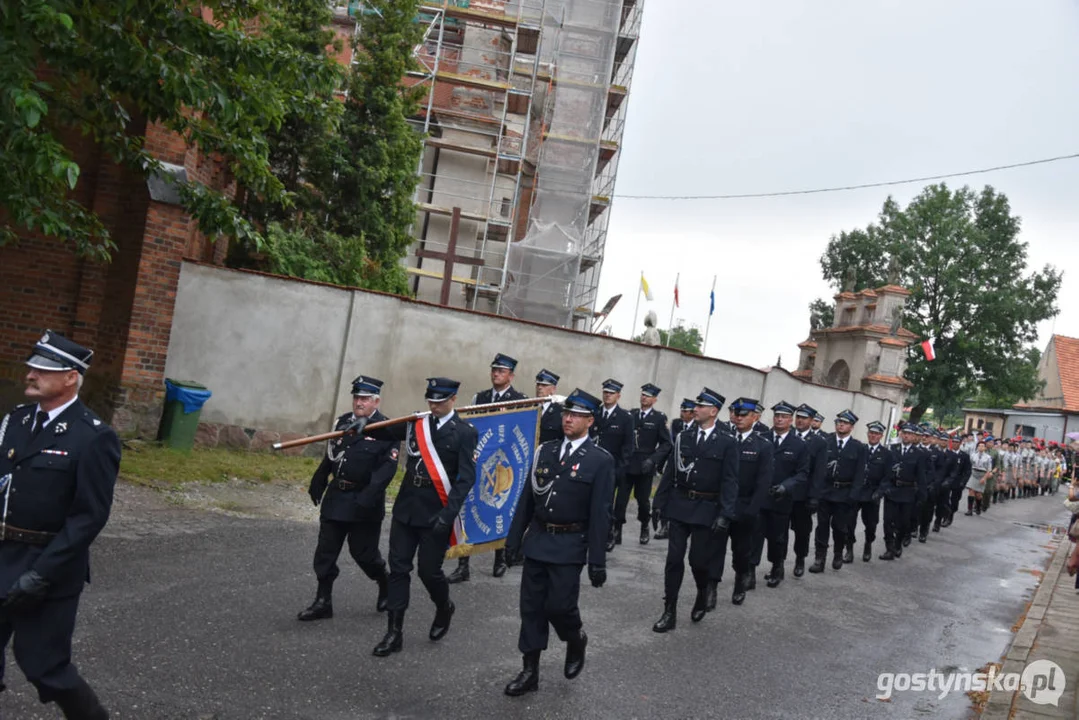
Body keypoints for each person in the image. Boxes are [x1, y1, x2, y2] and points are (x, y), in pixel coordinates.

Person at [0, 330, 120, 719]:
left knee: (44, 665)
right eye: (32, 367)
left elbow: (89, 516)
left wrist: (43, 573)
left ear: (71, 377)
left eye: (44, 370)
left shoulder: (94, 437)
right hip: (2, 552)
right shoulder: (14, 421)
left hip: (47, 562)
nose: (31, 374)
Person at [503, 389, 613, 697]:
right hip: (538, 540)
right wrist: (513, 540)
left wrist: (597, 561)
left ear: (589, 421)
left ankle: (575, 638)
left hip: (570, 543)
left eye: (576, 415)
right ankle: (530, 671)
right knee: (532, 608)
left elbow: (600, 514)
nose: (568, 419)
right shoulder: (546, 450)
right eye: (566, 413)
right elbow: (527, 500)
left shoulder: (599, 461)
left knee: (560, 606)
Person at [371, 378, 477, 658]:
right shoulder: (417, 423)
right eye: (430, 399)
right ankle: (394, 632)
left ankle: (444, 606)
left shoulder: (465, 432)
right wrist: (362, 426)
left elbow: (466, 479)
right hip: (407, 507)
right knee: (399, 569)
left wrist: (448, 514)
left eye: (440, 400)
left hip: (436, 512)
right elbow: (384, 430)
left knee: (428, 572)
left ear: (453, 399)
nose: (433, 405)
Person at [298, 375, 399, 622]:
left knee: (364, 555)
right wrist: (320, 478)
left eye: (364, 398)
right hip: (337, 497)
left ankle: (384, 582)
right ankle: (323, 602)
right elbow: (333, 454)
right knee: (325, 552)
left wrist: (367, 498)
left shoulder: (387, 428)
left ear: (376, 401)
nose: (359, 403)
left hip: (364, 502)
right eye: (356, 398)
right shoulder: (343, 422)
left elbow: (387, 469)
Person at [651, 388, 738, 631]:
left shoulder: (727, 442)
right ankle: (669, 611)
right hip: (680, 505)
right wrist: (659, 503)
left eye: (700, 407)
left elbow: (730, 481)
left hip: (707, 508)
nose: (694, 410)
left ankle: (702, 591)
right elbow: (670, 473)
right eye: (694, 406)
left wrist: (725, 514)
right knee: (673, 560)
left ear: (713, 411)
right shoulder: (683, 437)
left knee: (698, 561)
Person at [448, 353, 525, 584]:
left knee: (500, 509)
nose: (495, 374)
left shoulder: (519, 400)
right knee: (470, 508)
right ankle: (463, 565)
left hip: (503, 465)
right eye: (493, 370)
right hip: (478, 461)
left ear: (511, 375)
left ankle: (499, 558)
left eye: (501, 371)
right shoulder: (479, 397)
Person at [714, 398, 773, 604]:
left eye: (744, 415)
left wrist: (752, 510)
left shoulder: (763, 445)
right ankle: (711, 590)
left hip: (744, 506)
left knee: (741, 551)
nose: (739, 418)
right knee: (714, 550)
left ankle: (740, 579)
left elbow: (763, 482)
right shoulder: (722, 438)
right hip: (721, 505)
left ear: (755, 417)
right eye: (736, 414)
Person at [751, 401, 807, 588]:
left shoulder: (799, 445)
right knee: (754, 535)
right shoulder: (761, 438)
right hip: (759, 497)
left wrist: (786, 486)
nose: (779, 419)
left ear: (791, 420)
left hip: (781, 499)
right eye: (777, 416)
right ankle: (749, 572)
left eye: (784, 417)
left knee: (777, 538)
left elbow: (802, 473)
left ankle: (777, 567)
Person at [809, 410, 865, 573]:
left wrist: (854, 495)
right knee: (822, 527)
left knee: (840, 528)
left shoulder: (858, 447)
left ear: (851, 427)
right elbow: (816, 469)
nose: (841, 425)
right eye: (838, 422)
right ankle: (820, 558)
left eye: (845, 423)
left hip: (844, 493)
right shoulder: (825, 442)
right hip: (825, 491)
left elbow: (860, 473)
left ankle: (838, 553)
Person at [620, 384, 672, 546]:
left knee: (642, 501)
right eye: (643, 395)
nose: (644, 398)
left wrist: (652, 460)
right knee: (621, 499)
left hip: (645, 466)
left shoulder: (659, 418)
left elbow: (666, 444)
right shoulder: (631, 414)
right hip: (628, 463)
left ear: (654, 399)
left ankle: (644, 525)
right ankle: (616, 529)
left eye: (648, 396)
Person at [591, 379, 634, 551]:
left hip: (611, 469)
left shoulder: (625, 418)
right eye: (605, 392)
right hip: (591, 466)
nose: (607, 395)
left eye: (611, 393)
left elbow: (628, 446)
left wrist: (619, 469)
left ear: (618, 396)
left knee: (606, 504)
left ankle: (608, 534)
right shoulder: (594, 413)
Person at [878, 424, 928, 560]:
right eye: (904, 433)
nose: (906, 435)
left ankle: (898, 544)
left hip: (908, 492)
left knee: (903, 522)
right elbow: (885, 471)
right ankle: (889, 548)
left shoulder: (919, 454)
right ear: (901, 434)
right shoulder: (892, 450)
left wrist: (922, 495)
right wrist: (883, 488)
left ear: (913, 436)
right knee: (888, 521)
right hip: (892, 490)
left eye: (909, 434)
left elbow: (921, 476)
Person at [845, 420, 890, 563]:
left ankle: (868, 544)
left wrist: (880, 492)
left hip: (872, 493)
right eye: (871, 433)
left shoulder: (886, 454)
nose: (873, 436)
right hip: (856, 491)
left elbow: (887, 477)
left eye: (876, 433)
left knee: (871, 524)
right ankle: (849, 549)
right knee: (849, 522)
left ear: (881, 436)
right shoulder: (860, 449)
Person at [790, 404, 827, 577]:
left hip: (803, 496)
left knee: (802, 532)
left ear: (811, 421)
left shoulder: (819, 442)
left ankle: (800, 559)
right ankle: (778, 564)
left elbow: (819, 472)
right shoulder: (787, 435)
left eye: (804, 418)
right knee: (778, 532)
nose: (799, 420)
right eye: (798, 417)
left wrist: (814, 497)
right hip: (783, 493)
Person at [655, 399, 697, 542]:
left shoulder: (697, 426)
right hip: (674, 462)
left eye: (685, 411)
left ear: (692, 413)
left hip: (688, 467)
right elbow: (671, 444)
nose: (682, 413)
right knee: (667, 493)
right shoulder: (677, 423)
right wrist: (660, 464)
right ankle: (664, 525)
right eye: (681, 410)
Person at [964, 440, 993, 516]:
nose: (980, 447)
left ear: (985, 448)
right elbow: (970, 464)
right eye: (979, 446)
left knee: (978, 495)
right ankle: (969, 510)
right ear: (977, 447)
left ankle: (978, 507)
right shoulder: (973, 455)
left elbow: (989, 469)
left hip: (982, 474)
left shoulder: (988, 457)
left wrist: (984, 478)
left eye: (982, 446)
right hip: (974, 474)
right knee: (971, 491)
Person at [536, 369, 564, 445]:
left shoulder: (559, 412)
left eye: (544, 385)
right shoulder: (530, 407)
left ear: (553, 389)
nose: (539, 387)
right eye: (538, 384)